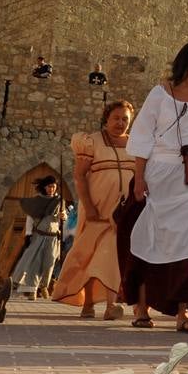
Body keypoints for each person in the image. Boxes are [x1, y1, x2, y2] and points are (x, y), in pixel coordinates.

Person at [124, 42, 188, 332]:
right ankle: (141, 307)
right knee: (151, 239)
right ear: (183, 64)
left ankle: (183, 313)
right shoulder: (159, 94)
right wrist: (140, 177)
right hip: (160, 173)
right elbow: (142, 136)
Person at [51, 100, 135, 320]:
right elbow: (79, 176)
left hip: (123, 211)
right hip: (97, 207)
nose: (121, 123)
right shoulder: (91, 142)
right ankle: (88, 302)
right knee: (89, 255)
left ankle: (110, 304)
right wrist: (88, 207)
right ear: (106, 119)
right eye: (116, 118)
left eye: (125, 118)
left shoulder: (136, 144)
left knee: (112, 254)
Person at [11, 175, 67, 300]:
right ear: (44, 187)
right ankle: (33, 290)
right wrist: (28, 235)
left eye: (53, 186)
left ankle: (44, 286)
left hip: (53, 238)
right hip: (39, 236)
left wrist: (63, 216)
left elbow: (63, 220)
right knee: (35, 264)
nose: (51, 189)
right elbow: (30, 219)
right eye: (49, 186)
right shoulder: (37, 201)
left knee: (49, 264)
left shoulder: (59, 201)